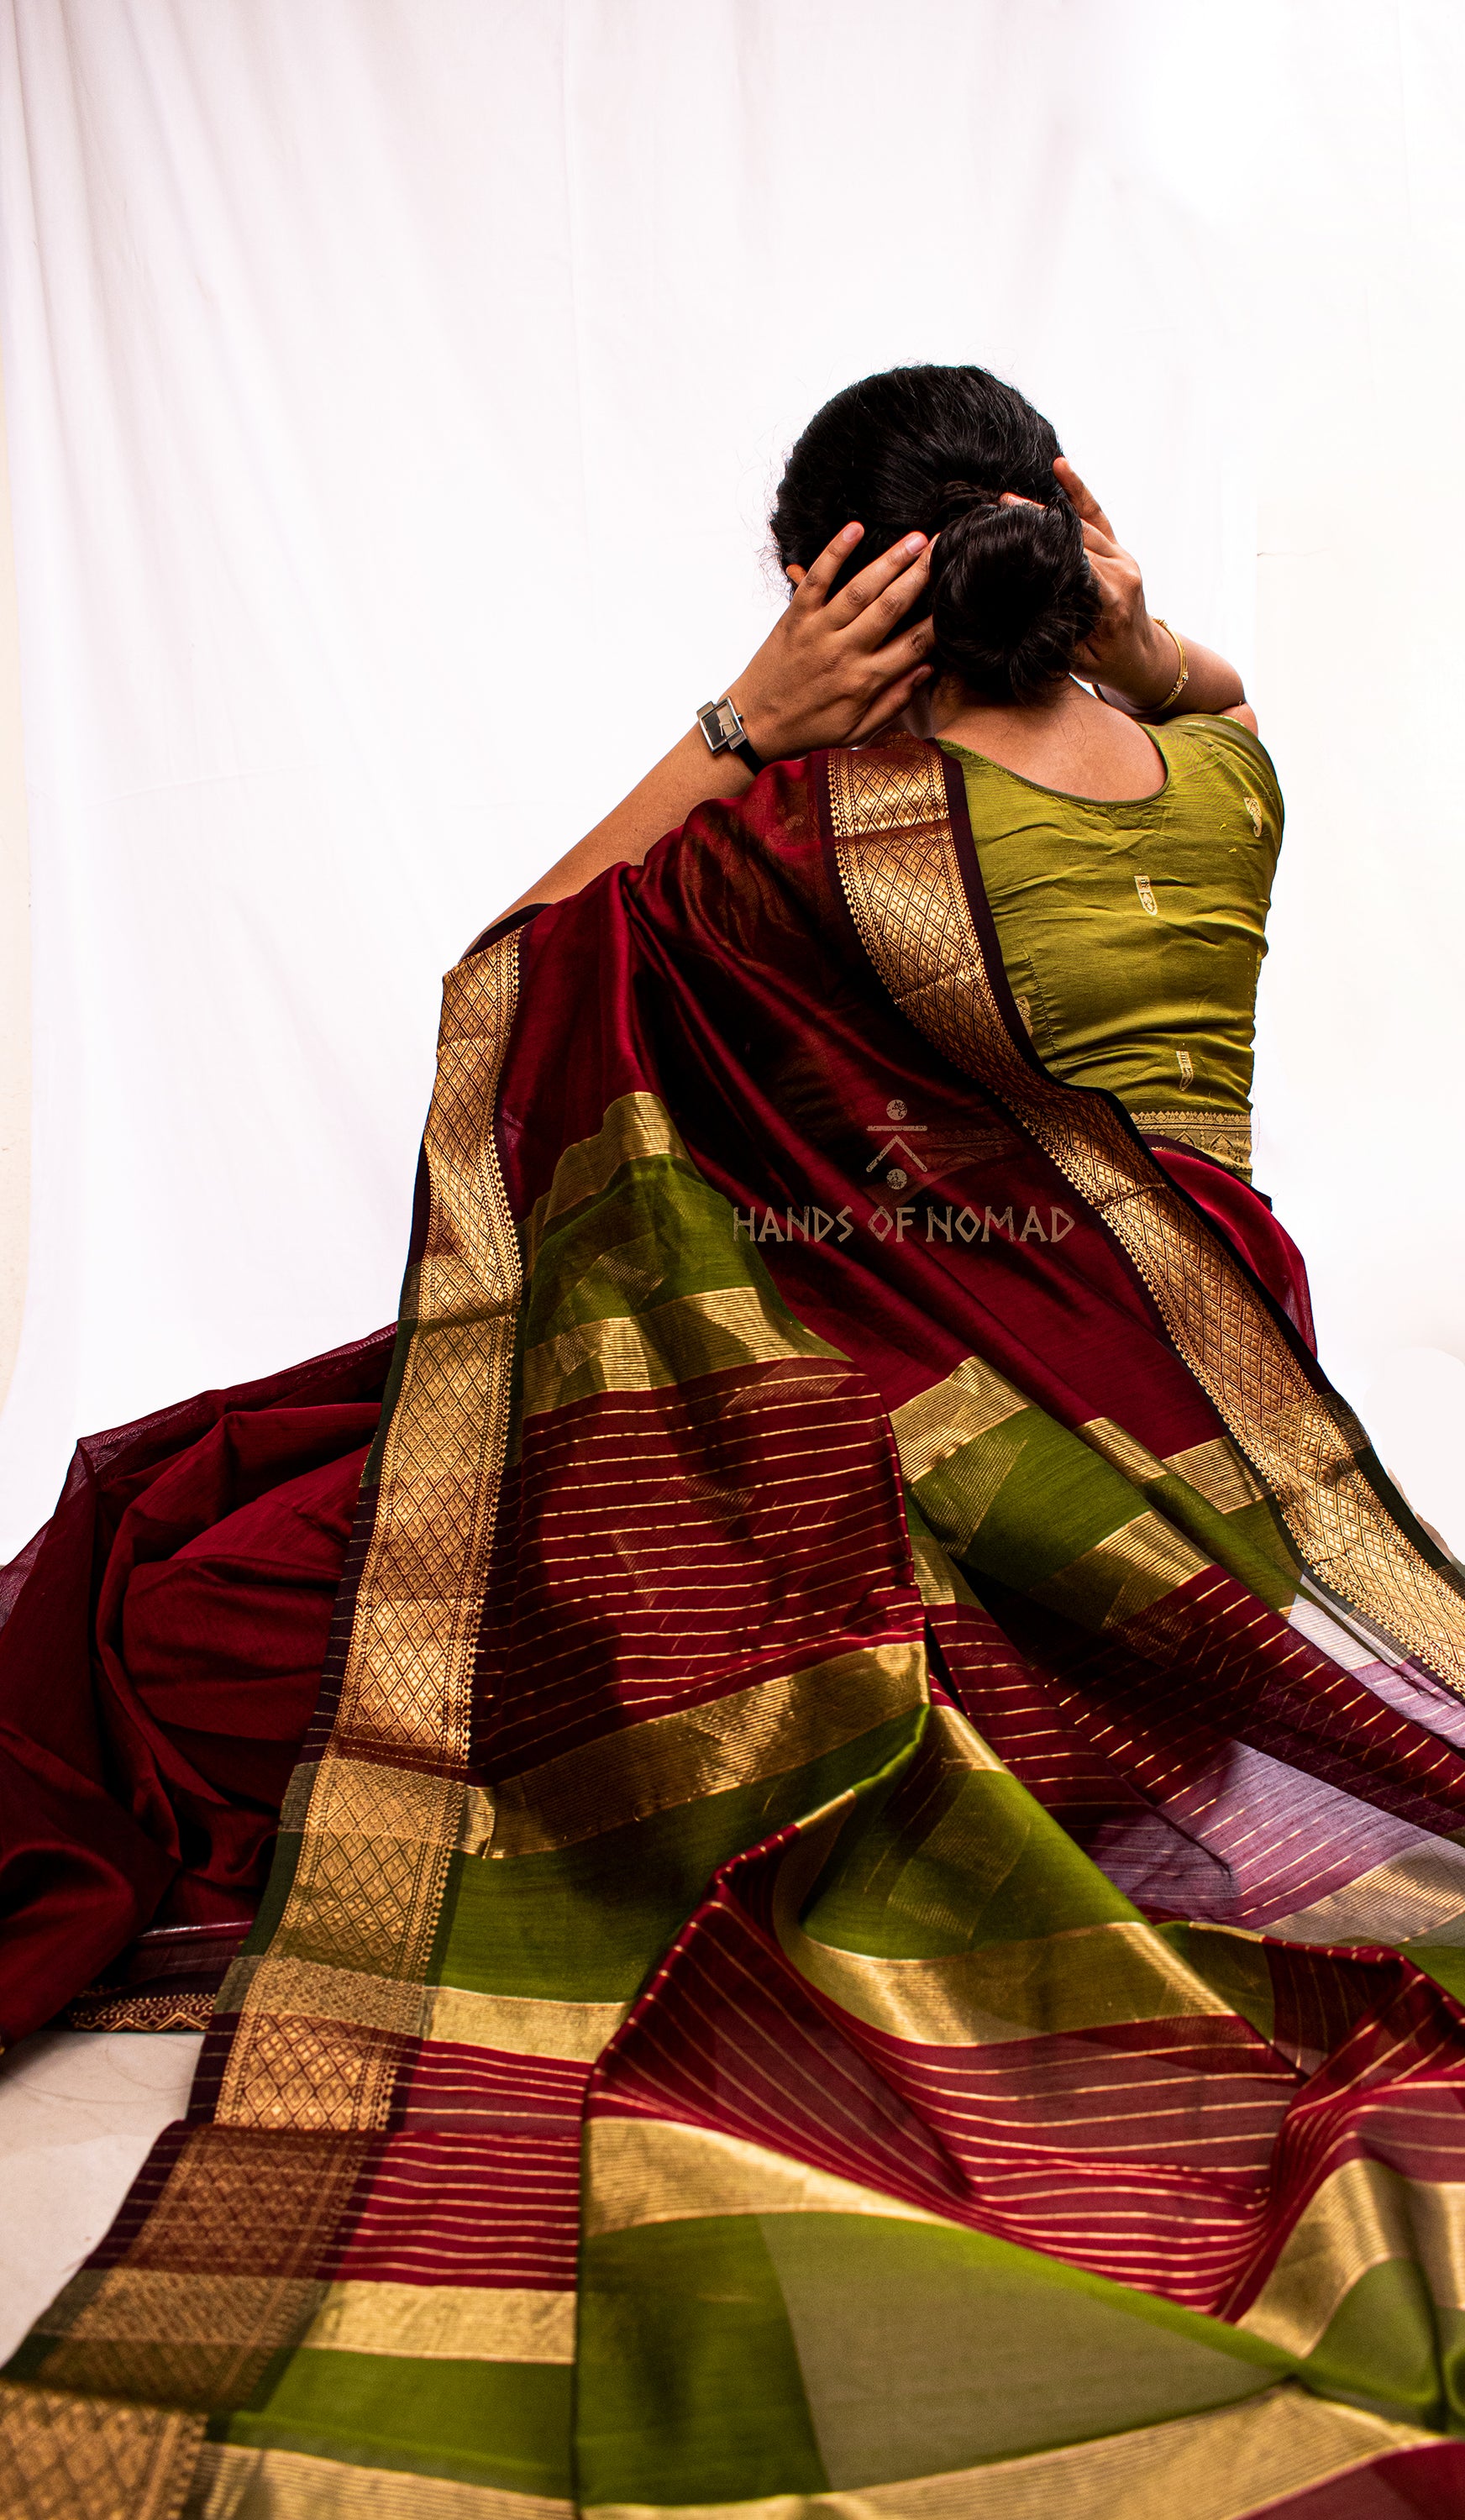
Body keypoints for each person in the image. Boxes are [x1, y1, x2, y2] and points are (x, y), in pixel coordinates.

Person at [6, 365, 1465, 2517]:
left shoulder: (803, 825)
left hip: (943, 1374)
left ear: (826, 587)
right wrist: (1137, 642)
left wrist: (740, 718)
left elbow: (503, 983)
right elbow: (1205, 691)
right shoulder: (1214, 769)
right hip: (1203, 1359)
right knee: (315, 1485)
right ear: (1060, 534)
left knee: (212, 1557)